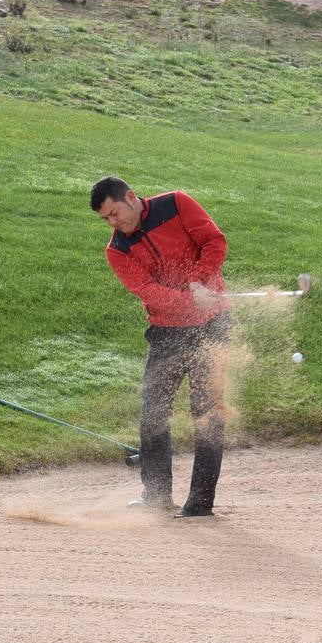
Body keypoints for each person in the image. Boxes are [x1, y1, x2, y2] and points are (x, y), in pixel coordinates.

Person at [90, 176, 231, 518]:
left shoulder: (177, 204)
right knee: (153, 413)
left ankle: (200, 502)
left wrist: (199, 280)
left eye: (114, 213)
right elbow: (151, 293)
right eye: (105, 219)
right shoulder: (117, 250)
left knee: (207, 412)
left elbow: (213, 241)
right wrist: (188, 300)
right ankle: (155, 494)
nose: (113, 223)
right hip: (166, 331)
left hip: (213, 324)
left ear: (130, 197)